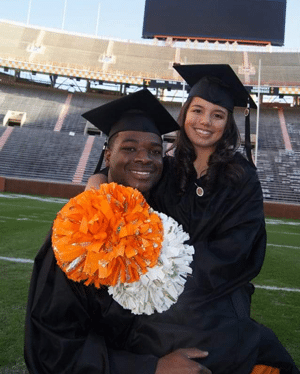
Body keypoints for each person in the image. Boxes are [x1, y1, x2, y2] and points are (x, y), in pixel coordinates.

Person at [88, 65, 299, 374]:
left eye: (217, 115)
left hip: (216, 293)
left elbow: (236, 251)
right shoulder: (167, 169)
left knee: (207, 349)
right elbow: (127, 172)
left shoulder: (242, 178)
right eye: (198, 110)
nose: (205, 122)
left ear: (227, 124)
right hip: (157, 289)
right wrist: (97, 178)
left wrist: (169, 276)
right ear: (184, 112)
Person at [24, 89, 211, 374]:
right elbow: (51, 345)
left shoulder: (159, 222)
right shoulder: (76, 233)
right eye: (129, 148)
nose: (144, 158)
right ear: (108, 154)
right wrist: (152, 368)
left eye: (155, 151)